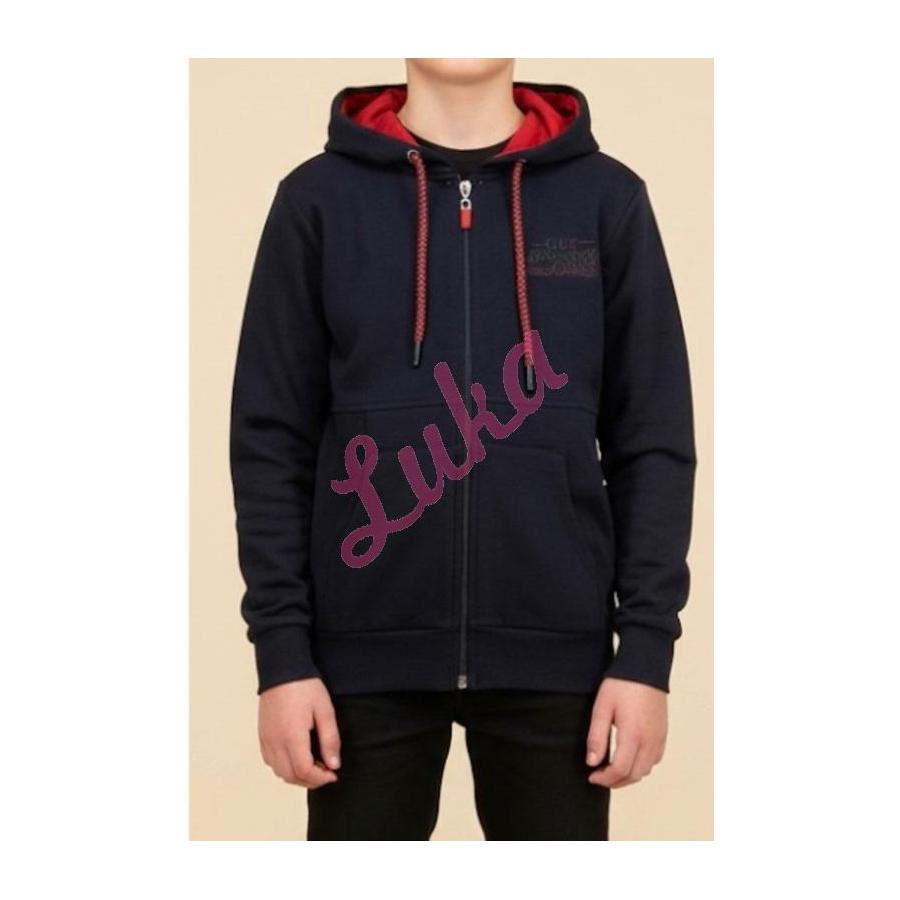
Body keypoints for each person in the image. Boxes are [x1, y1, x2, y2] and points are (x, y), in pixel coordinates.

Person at [229, 58, 696, 841]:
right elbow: (270, 441)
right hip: (359, 662)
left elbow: (652, 439)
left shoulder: (604, 199)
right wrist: (282, 655)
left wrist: (646, 652)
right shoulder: (317, 200)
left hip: (558, 661)